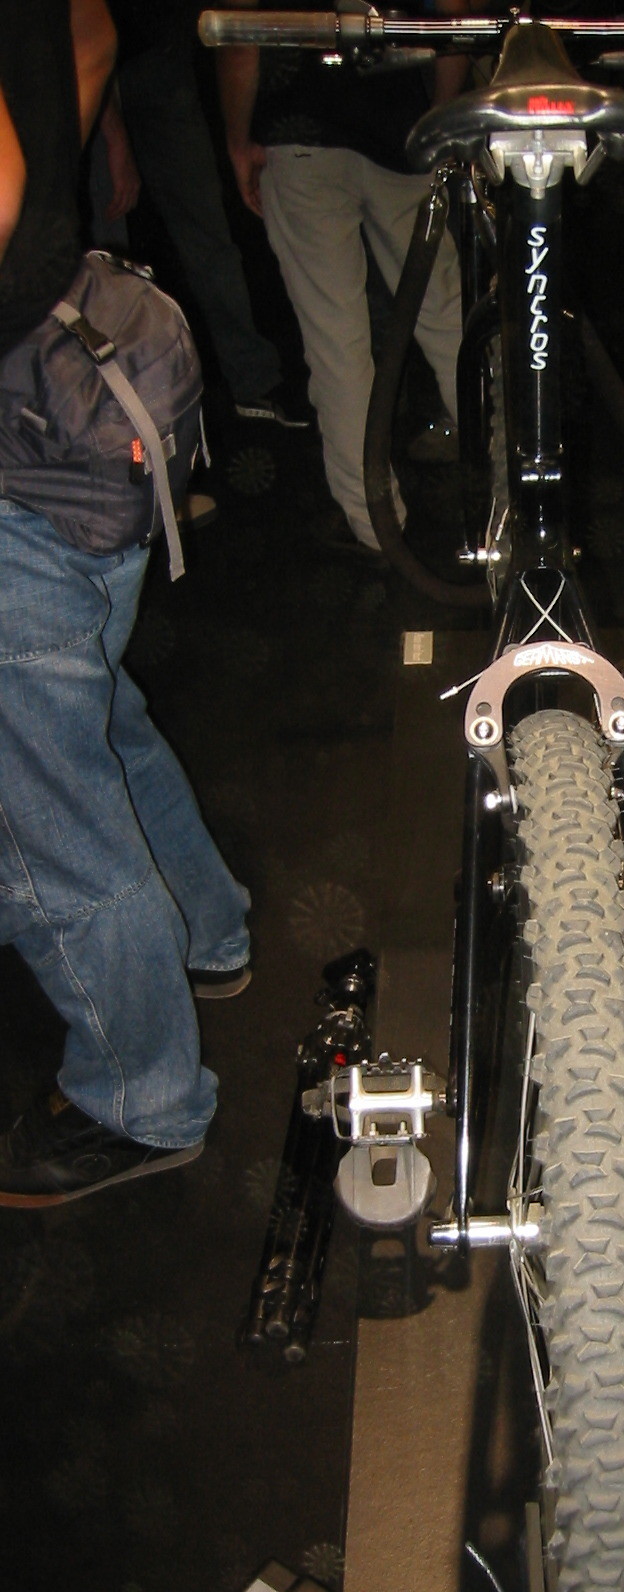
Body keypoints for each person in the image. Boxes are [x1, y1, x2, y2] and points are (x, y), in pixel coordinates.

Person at [0, 0, 251, 1206]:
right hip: (80, 401)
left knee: (45, 820)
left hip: (20, 460)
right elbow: (90, 32)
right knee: (93, 720)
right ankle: (205, 933)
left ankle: (141, 1097)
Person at [215, 0, 464, 556]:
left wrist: (237, 137)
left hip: (301, 128)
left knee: (337, 339)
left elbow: (239, 33)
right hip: (401, 125)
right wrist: (443, 114)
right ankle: (513, 476)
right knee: (446, 311)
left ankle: (375, 523)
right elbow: (453, 13)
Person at [91, 0, 309, 429]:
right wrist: (113, 132)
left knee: (205, 232)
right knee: (105, 257)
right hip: (87, 71)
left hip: (157, 54)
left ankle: (251, 378)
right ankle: (110, 405)